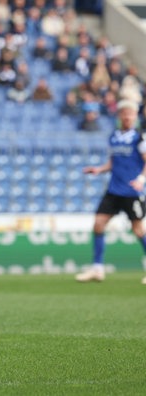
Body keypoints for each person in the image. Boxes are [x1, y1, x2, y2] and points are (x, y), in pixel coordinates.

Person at [76, 100, 146, 284]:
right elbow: (113, 163)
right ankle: (97, 269)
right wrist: (99, 169)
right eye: (124, 113)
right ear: (120, 116)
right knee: (98, 224)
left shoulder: (139, 138)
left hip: (132, 191)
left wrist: (141, 179)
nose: (127, 117)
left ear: (135, 116)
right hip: (114, 190)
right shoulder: (113, 136)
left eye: (131, 114)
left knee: (138, 230)